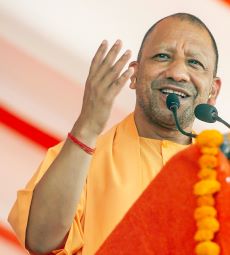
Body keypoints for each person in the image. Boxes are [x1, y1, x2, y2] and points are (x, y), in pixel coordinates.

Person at [8, 12, 222, 255]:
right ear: (135, 74)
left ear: (213, 91)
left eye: (195, 63)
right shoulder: (80, 157)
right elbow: (40, 240)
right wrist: (88, 125)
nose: (177, 73)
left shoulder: (221, 173)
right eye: (162, 56)